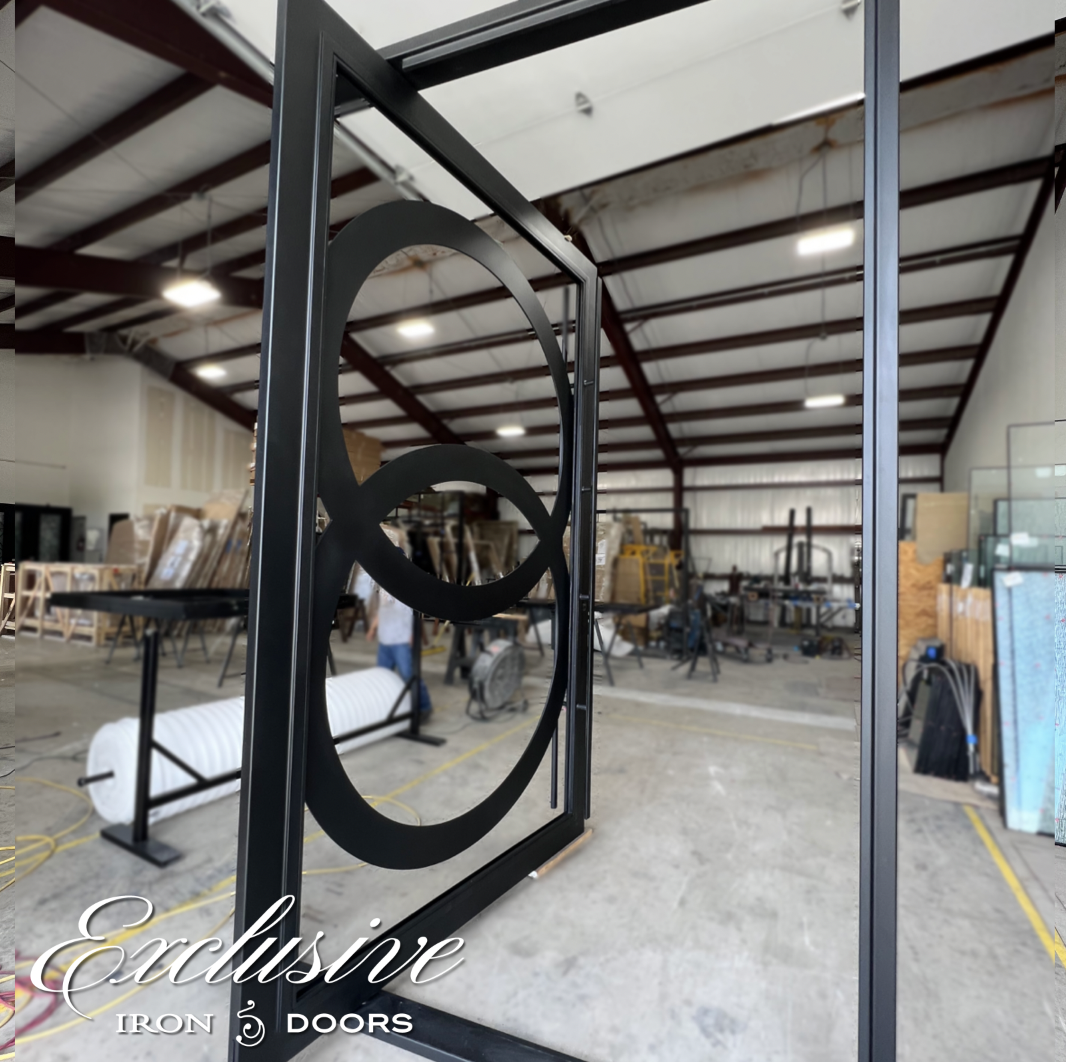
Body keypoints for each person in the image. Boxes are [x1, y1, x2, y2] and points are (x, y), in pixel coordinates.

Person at [366, 580, 433, 719]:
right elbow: (382, 610)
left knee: (409, 674)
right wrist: (373, 629)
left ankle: (424, 706)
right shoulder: (384, 586)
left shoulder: (405, 586)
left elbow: (414, 612)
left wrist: (413, 634)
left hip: (401, 639)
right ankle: (385, 707)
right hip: (385, 639)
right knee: (382, 676)